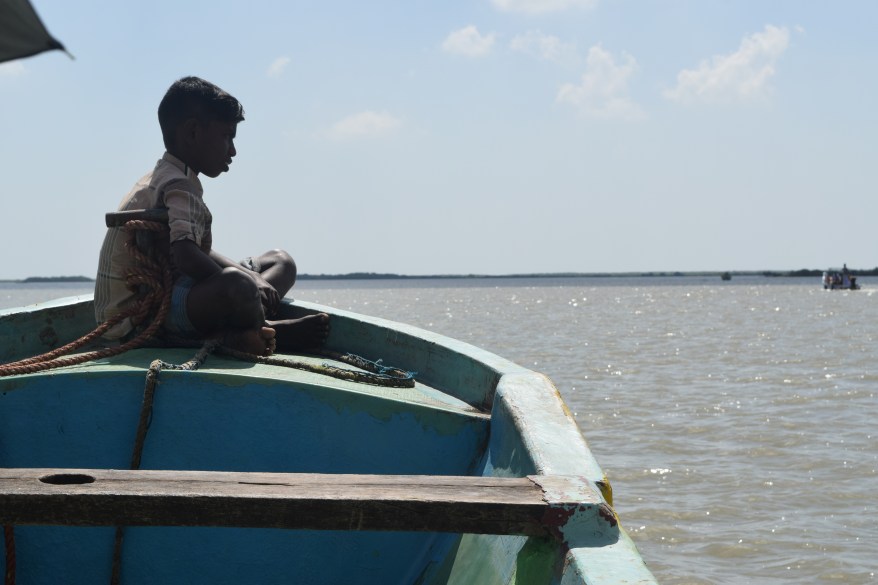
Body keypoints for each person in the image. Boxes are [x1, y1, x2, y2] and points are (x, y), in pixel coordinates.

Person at [94, 76, 329, 356]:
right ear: (192, 132)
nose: (232, 150)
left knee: (281, 262)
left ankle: (240, 325)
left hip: (172, 293)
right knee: (238, 285)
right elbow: (185, 255)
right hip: (138, 321)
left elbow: (193, 248)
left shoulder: (169, 175)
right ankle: (266, 329)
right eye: (227, 136)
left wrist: (251, 279)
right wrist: (246, 285)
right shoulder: (177, 185)